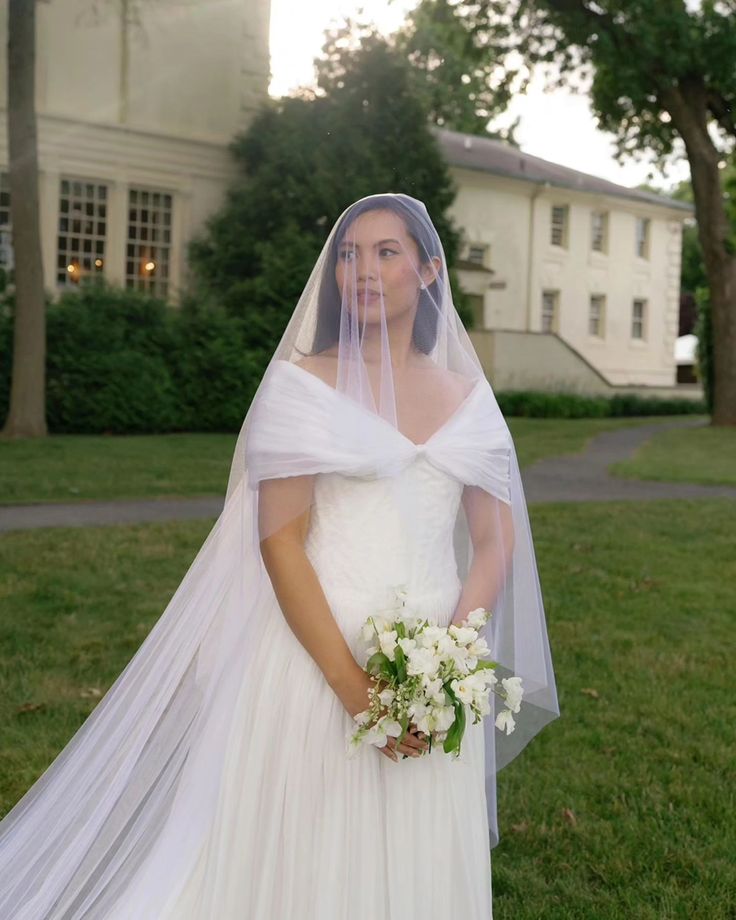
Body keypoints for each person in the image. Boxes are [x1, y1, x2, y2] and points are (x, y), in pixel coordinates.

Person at [0, 192, 559, 918]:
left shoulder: (468, 397)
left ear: (428, 272)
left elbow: (494, 540)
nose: (361, 270)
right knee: (308, 854)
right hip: (314, 654)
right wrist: (354, 687)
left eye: (385, 253)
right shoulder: (303, 384)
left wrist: (449, 661)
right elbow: (279, 541)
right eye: (348, 255)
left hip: (430, 662)